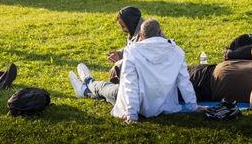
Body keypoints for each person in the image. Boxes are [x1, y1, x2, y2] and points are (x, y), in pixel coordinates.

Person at [69, 19, 207, 122]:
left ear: (141, 36)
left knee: (104, 88)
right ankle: (84, 89)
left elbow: (130, 85)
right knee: (107, 91)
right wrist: (193, 106)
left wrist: (131, 115)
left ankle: (87, 82)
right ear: (159, 34)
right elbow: (184, 81)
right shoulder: (177, 51)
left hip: (137, 104)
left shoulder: (132, 51)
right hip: (164, 105)